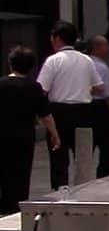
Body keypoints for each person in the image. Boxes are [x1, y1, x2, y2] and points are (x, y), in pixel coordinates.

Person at [37, 21, 100, 189]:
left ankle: (60, 192)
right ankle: (84, 191)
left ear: (57, 38)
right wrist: (84, 90)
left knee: (59, 156)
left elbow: (41, 90)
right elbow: (99, 86)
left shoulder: (53, 61)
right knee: (83, 156)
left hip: (59, 112)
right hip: (84, 111)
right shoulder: (86, 60)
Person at [0, 47, 60, 214]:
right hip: (24, 138)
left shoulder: (1, 84)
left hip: (2, 136)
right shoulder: (34, 87)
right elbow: (45, 115)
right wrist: (54, 134)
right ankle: (15, 206)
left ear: (10, 64)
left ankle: (3, 204)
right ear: (32, 67)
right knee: (21, 172)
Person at [87, 35, 109, 178]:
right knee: (107, 148)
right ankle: (106, 176)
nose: (108, 48)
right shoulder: (101, 66)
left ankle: (84, 177)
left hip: (85, 107)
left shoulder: (84, 63)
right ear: (97, 48)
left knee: (87, 147)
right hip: (101, 108)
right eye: (105, 45)